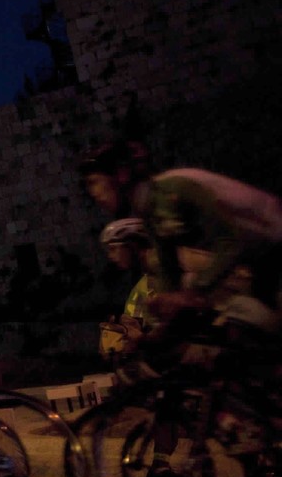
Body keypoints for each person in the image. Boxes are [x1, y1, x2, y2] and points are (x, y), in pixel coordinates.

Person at [79, 142, 281, 359]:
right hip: (263, 264)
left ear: (121, 174)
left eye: (95, 182)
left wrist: (192, 293)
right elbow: (170, 272)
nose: (94, 193)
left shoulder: (171, 190)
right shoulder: (151, 211)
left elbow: (230, 241)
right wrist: (158, 331)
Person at [98, 218, 158, 360]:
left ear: (132, 246)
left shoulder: (163, 270)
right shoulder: (141, 285)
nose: (111, 256)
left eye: (113, 249)